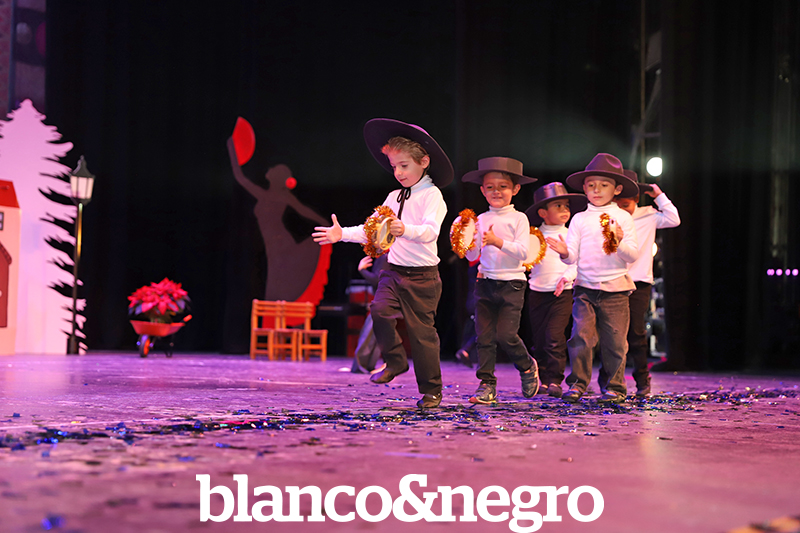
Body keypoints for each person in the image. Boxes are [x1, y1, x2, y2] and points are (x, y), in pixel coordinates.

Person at [312, 119, 452, 409]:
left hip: (423, 277)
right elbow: (372, 230)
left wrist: (405, 229)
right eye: (394, 166)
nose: (398, 172)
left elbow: (430, 232)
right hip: (394, 272)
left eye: (404, 165)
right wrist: (341, 234)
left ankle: (431, 390)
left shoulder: (432, 195)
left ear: (424, 162)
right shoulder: (393, 197)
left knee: (422, 335)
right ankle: (396, 361)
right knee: (378, 311)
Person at [547, 153, 639, 403]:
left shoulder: (623, 217)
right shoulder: (579, 219)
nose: (596, 190)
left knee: (615, 342)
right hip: (585, 288)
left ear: (617, 189)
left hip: (616, 290)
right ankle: (577, 384)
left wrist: (619, 241)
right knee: (581, 338)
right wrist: (565, 252)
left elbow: (632, 255)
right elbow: (572, 257)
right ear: (584, 188)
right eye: (591, 185)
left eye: (604, 185)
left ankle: (615, 387)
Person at [461, 157, 540, 404]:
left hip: (512, 284)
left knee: (506, 335)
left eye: (503, 186)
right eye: (490, 187)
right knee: (483, 337)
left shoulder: (519, 218)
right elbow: (472, 255)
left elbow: (524, 252)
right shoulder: (480, 219)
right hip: (485, 282)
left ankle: (527, 366)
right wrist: (465, 243)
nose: (496, 191)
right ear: (482, 190)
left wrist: (497, 241)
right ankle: (486, 384)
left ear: (515, 189)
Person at [612, 171, 680, 396]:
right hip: (612, 279)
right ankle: (610, 381)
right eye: (618, 204)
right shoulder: (608, 217)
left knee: (636, 331)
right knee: (612, 334)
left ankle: (642, 379)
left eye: (626, 205)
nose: (622, 209)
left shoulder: (648, 215)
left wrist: (658, 195)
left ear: (636, 200)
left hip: (638, 282)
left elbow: (674, 219)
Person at [525, 182, 588, 398]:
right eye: (558, 206)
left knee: (554, 336)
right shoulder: (534, 235)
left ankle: (554, 379)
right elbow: (524, 260)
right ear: (543, 213)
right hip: (537, 293)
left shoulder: (571, 235)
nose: (564, 210)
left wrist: (566, 277)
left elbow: (578, 263)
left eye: (566, 206)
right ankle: (542, 378)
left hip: (563, 293)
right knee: (540, 338)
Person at [350, 254, 388, 374]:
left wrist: (362, 270)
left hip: (384, 300)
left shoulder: (385, 257)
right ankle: (367, 366)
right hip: (386, 300)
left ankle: (360, 367)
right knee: (376, 335)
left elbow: (377, 279)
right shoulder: (387, 257)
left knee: (368, 334)